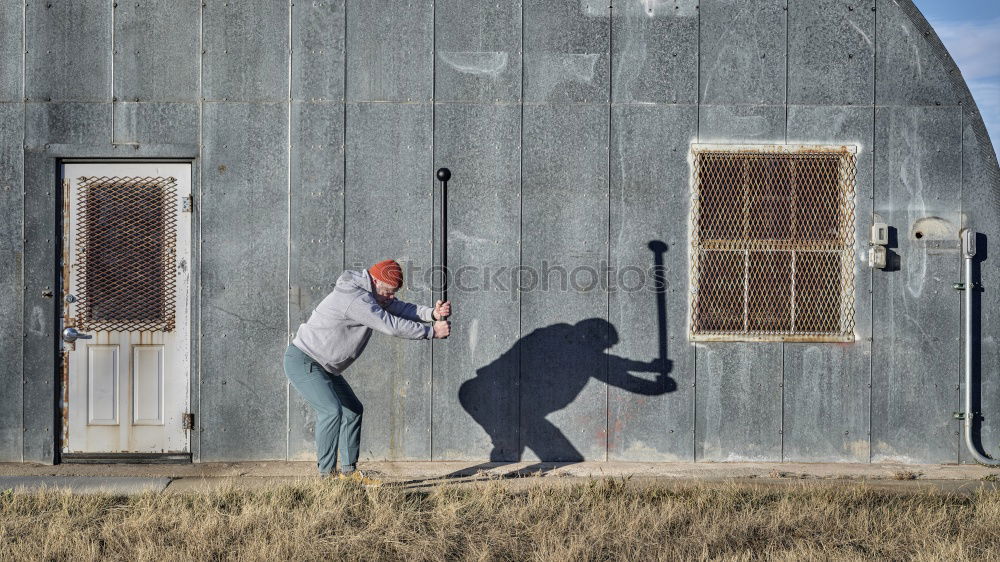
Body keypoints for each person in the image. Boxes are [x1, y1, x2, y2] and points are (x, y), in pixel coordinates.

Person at [284, 259, 451, 485]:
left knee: (353, 410)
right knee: (331, 411)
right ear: (375, 281)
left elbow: (399, 308)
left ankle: (349, 472)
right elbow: (389, 324)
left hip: (325, 367)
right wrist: (431, 332)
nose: (391, 297)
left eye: (393, 293)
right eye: (389, 292)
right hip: (305, 360)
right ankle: (326, 480)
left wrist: (431, 313)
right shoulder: (355, 298)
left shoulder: (373, 293)